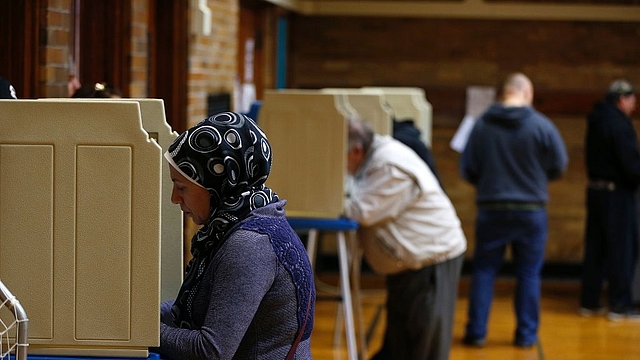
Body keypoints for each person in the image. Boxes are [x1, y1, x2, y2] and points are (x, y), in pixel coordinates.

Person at [153, 112, 315, 359]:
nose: (175, 198)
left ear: (217, 182)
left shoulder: (249, 244)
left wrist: (142, 331)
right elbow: (190, 309)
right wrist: (139, 316)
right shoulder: (245, 221)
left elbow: (211, 351)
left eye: (182, 187)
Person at [459, 72, 568, 348]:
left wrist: (488, 184)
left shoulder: (482, 125)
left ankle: (476, 332)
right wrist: (535, 181)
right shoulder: (542, 125)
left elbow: (467, 168)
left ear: (502, 94)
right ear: (527, 93)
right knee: (528, 273)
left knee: (484, 270)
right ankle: (526, 335)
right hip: (531, 209)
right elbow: (559, 164)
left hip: (491, 207)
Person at [344, 117, 467, 360]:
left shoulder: (389, 165)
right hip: (410, 261)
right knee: (400, 345)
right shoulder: (377, 155)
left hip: (431, 260)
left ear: (357, 151)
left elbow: (361, 210)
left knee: (424, 348)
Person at [580, 79, 640, 321]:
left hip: (595, 191)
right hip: (617, 194)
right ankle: (619, 304)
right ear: (622, 100)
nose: (634, 106)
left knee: (595, 249)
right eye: (633, 101)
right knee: (621, 250)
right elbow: (630, 166)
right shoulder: (619, 124)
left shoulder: (595, 120)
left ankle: (589, 301)